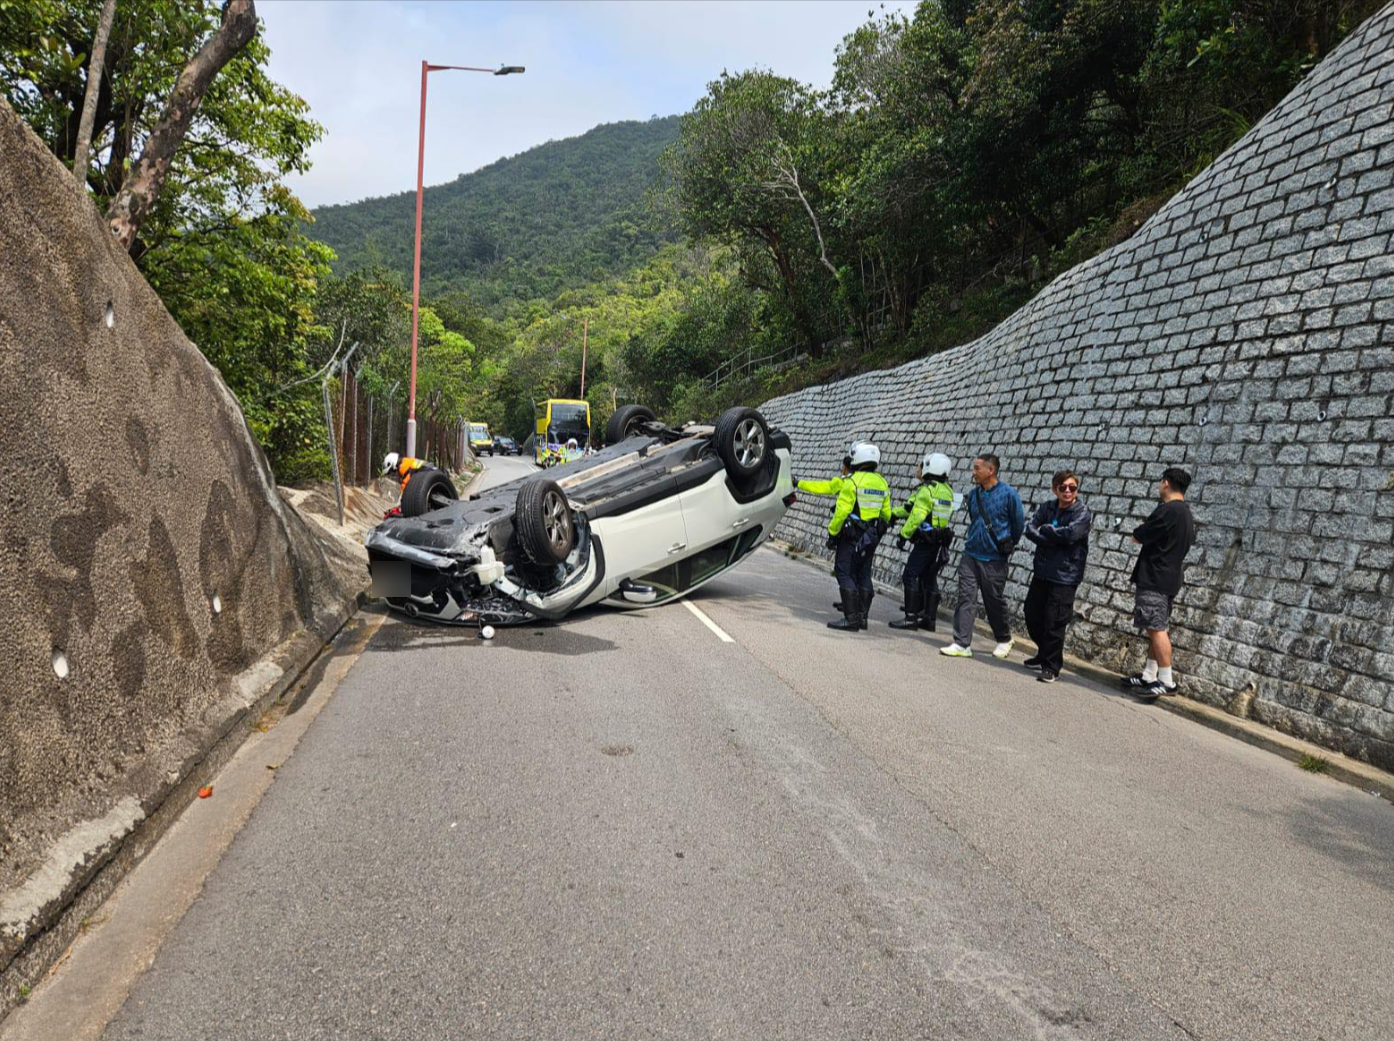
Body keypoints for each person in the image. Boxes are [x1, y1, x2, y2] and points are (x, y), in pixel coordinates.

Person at [794, 440, 891, 632]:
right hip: (871, 536)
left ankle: (851, 619)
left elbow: (841, 512)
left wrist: (832, 533)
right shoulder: (882, 483)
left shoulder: (852, 482)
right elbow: (886, 514)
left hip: (852, 535)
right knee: (864, 573)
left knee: (843, 571)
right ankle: (862, 618)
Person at [941, 453, 1024, 659]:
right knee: (966, 597)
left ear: (991, 470)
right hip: (971, 554)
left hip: (994, 558)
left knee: (993, 600)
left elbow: (1018, 524)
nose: (973, 472)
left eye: (977, 468)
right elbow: (975, 519)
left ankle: (1004, 638)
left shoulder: (1008, 494)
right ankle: (962, 643)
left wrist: (1007, 544)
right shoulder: (973, 495)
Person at [1124, 467, 1197, 698]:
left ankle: (1167, 681)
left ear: (1165, 483)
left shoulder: (1168, 511)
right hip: (1170, 577)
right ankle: (1149, 674)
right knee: (1158, 627)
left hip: (1155, 578)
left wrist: (1142, 529)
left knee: (1156, 629)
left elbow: (1139, 535)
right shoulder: (1186, 513)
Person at [1021, 470, 1092, 683]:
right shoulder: (1047, 507)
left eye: (1072, 487)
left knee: (1055, 621)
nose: (1068, 491)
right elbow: (1030, 529)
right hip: (1043, 570)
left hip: (1065, 575)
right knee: (1032, 614)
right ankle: (1044, 652)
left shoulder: (1082, 512)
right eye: (1063, 487)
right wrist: (1053, 536)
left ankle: (1051, 666)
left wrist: (1048, 531)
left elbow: (1071, 534)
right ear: (1055, 489)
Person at [888, 452, 954, 632]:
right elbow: (913, 509)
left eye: (922, 466)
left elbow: (917, 515)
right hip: (940, 541)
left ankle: (910, 618)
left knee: (909, 575)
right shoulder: (947, 490)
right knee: (929, 577)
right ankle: (929, 619)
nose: (920, 469)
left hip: (926, 540)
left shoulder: (927, 490)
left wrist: (903, 534)